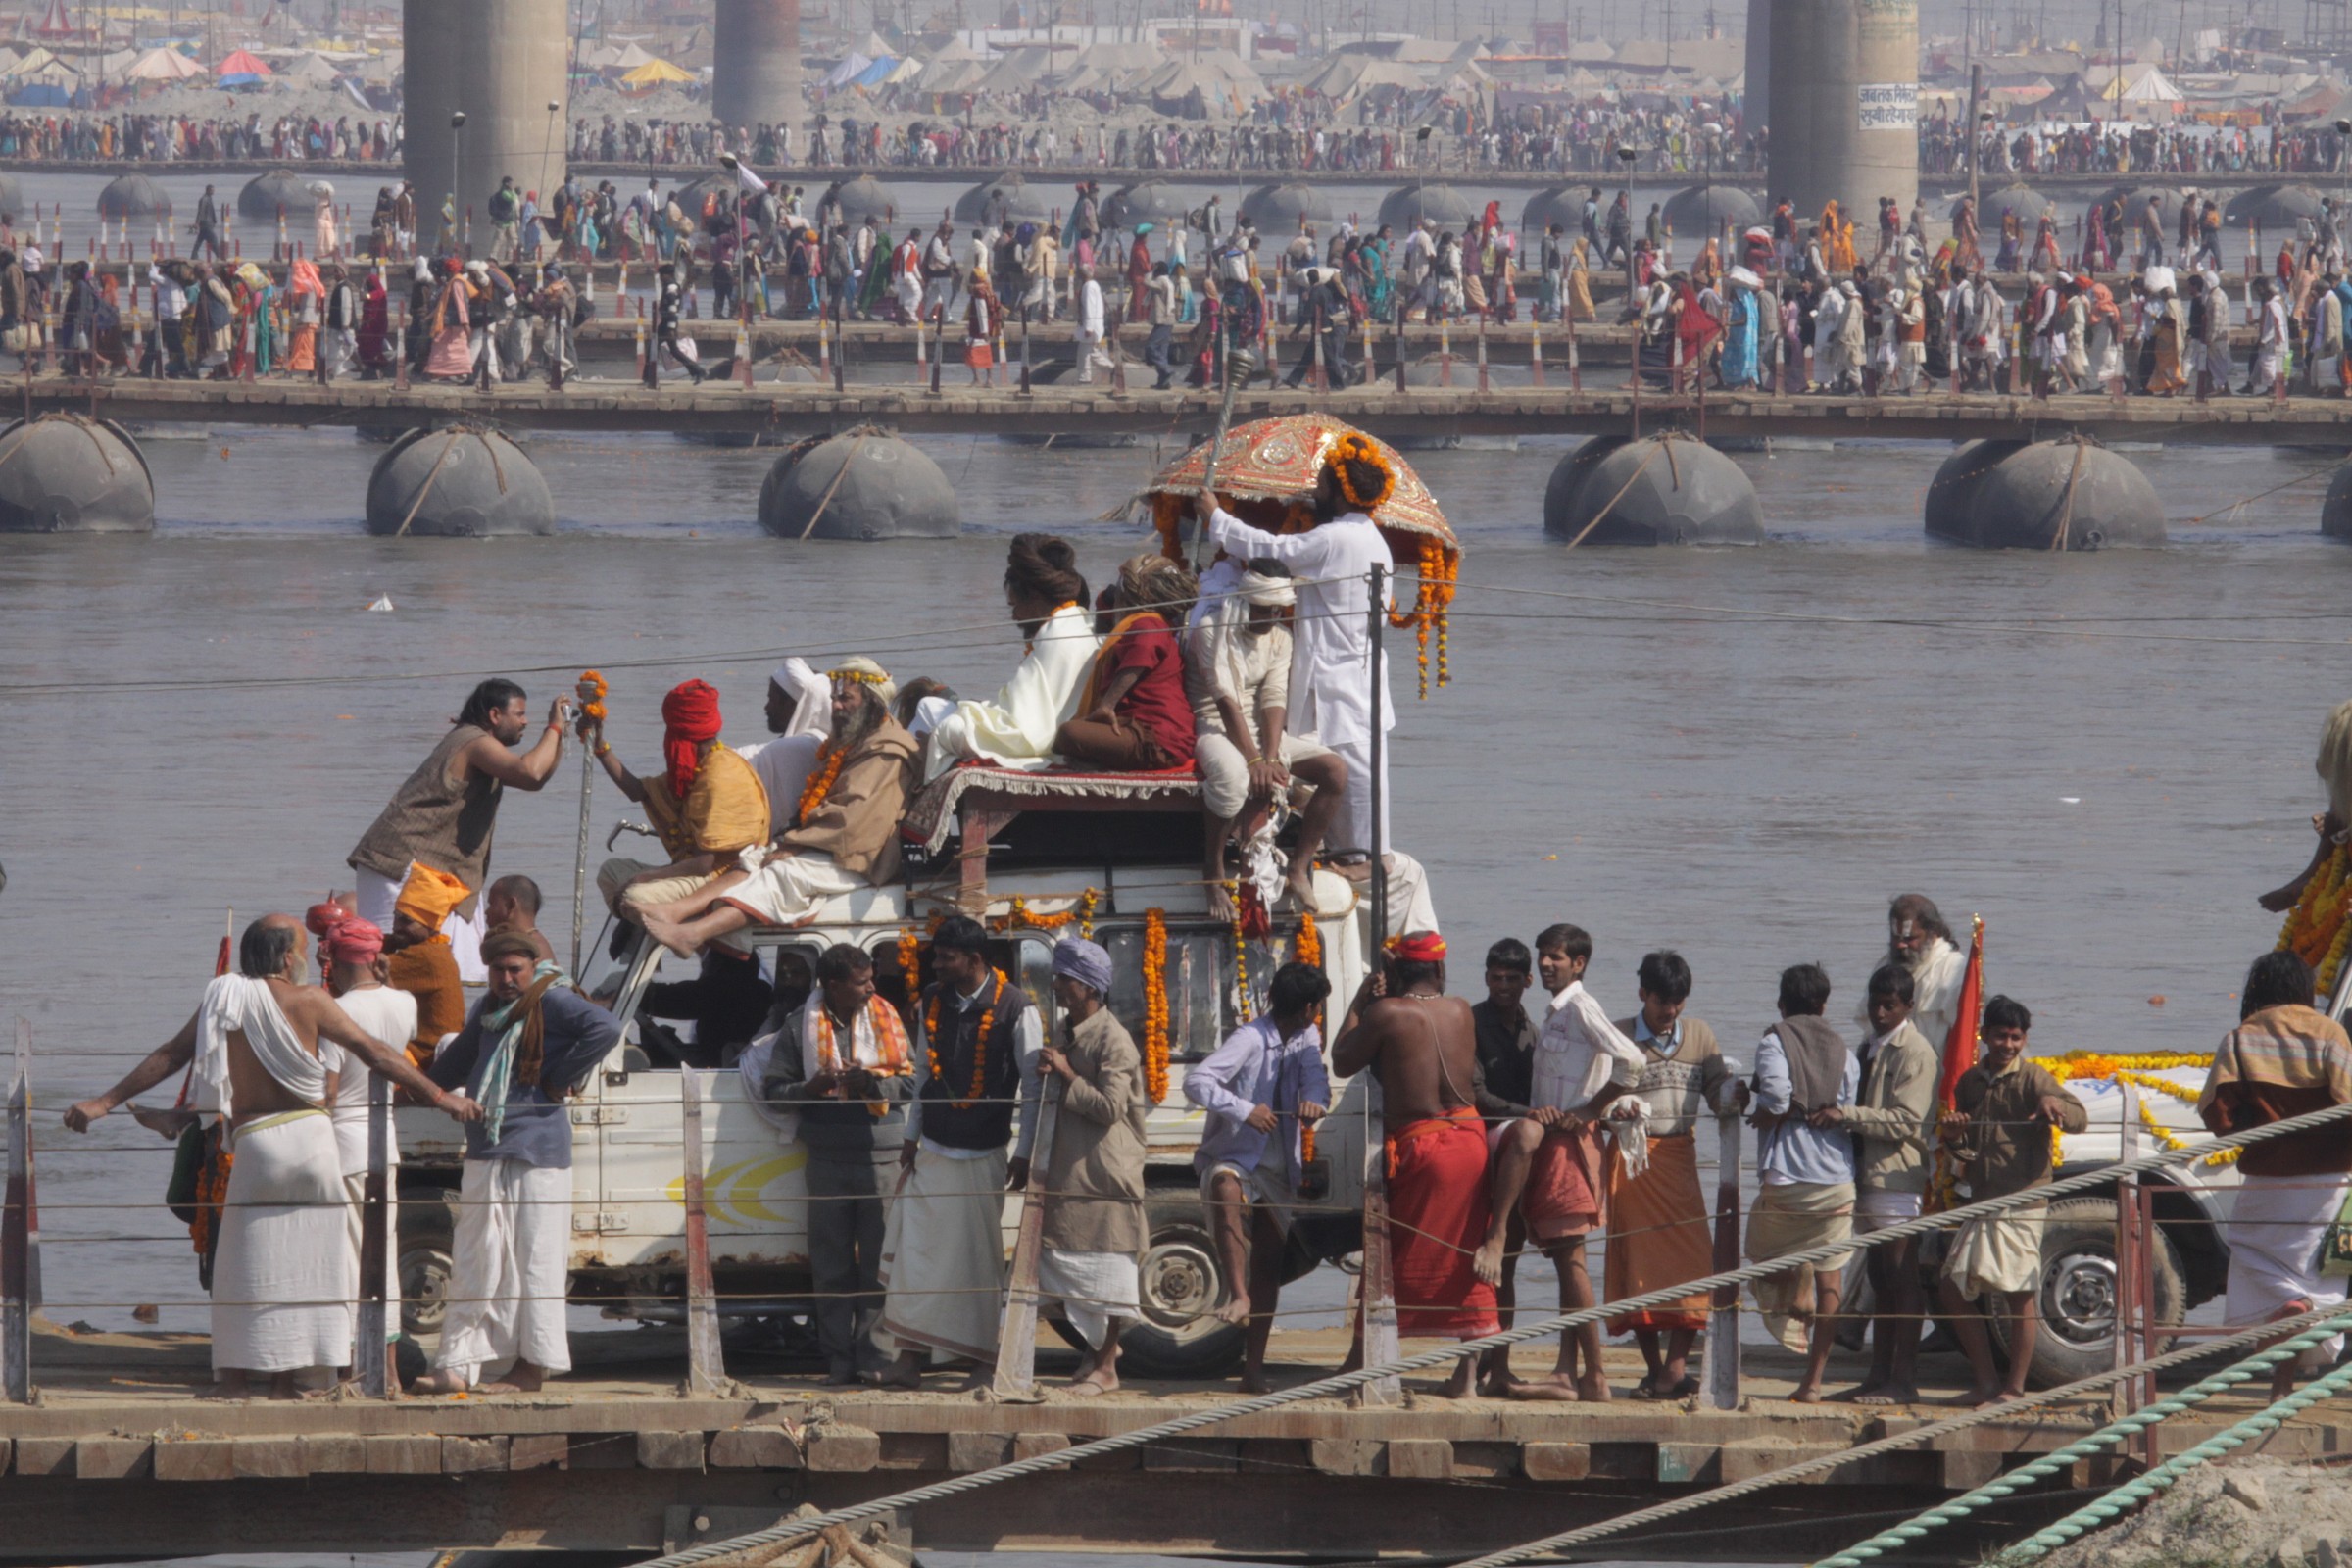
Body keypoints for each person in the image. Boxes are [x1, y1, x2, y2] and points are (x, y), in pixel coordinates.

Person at [63, 915, 475, 1398]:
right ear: (285, 958)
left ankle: (235, 1381)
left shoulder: (224, 998)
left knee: (243, 1267)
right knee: (309, 1268)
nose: (309, 958)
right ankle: (289, 1382)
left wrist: (103, 1103)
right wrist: (441, 1096)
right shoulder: (312, 1002)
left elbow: (172, 1055)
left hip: (257, 1143)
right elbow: (378, 1053)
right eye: (302, 949)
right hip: (313, 1142)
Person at [412, 932, 621, 1394]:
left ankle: (532, 1368)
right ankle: (456, 1364)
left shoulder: (554, 999)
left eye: (515, 971)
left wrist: (556, 1076)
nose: (506, 980)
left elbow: (605, 1029)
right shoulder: (489, 1009)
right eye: (498, 970)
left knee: (535, 1262)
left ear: (533, 967)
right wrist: (419, 1085)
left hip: (537, 1152)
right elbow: (456, 1063)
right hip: (488, 1146)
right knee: (475, 1258)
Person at [1196, 433, 1396, 866]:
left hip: (1336, 671)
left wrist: (1218, 519)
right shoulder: (1370, 538)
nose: (1314, 491)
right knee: (1357, 765)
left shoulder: (1336, 538)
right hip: (1351, 670)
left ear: (1339, 491)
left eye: (1321, 483)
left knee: (1351, 769)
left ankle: (1360, 859)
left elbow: (1275, 551)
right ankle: (1357, 852)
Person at [634, 661, 918, 957]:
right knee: (753, 858)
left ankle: (693, 935)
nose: (835, 705)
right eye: (835, 698)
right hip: (828, 846)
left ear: (872, 703)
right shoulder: (854, 742)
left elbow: (852, 821)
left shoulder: (888, 751)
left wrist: (794, 845)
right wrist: (787, 841)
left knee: (783, 874)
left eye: (845, 698)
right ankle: (674, 912)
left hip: (862, 859)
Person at [1477, 924, 1645, 1401]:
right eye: (1543, 957)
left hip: (1569, 1145)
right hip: (1549, 1146)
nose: (1547, 964)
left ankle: (1594, 1377)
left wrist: (1591, 1110)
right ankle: (1566, 1371)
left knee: (1570, 1261)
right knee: (1562, 1261)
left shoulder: (1578, 1007)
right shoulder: (1551, 1016)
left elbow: (1632, 1062)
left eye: (1557, 957)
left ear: (1579, 963)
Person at [875, 915, 1044, 1386]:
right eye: (937, 956)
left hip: (984, 1152)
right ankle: (909, 1360)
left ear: (974, 959)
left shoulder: (1017, 1007)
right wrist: (910, 1137)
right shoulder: (931, 998)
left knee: (977, 1259)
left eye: (947, 957)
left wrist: (1025, 1153)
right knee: (914, 1252)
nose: (938, 963)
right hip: (931, 1147)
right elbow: (926, 1072)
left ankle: (983, 1361)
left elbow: (1033, 1088)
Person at [1331, 932, 1499, 1398]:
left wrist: (1361, 1002)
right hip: (1470, 1139)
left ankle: (1362, 1362)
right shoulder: (1462, 1009)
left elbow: (1342, 1061)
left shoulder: (1387, 1013)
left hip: (1422, 1146)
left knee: (1388, 1253)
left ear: (1400, 973)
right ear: (1440, 971)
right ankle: (1465, 1380)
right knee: (1467, 1258)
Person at [759, 942, 914, 1384]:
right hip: (826, 1159)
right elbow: (773, 1092)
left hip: (882, 1157)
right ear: (832, 985)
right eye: (861, 982)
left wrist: (872, 1085)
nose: (871, 989)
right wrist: (812, 1087)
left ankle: (876, 1359)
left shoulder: (887, 1018)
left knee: (879, 1266)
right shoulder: (797, 1029)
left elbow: (914, 1083)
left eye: (870, 980)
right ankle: (839, 1360)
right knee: (831, 1266)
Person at [2199, 951, 2352, 1399]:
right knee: (2321, 1276)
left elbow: (2217, 1115)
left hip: (2269, 1177)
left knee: (2249, 1256)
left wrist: (2257, 1120)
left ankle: (2280, 1384)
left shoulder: (2240, 1039)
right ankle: (2288, 1376)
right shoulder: (2330, 1032)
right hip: (2330, 1185)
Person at [348, 677, 567, 980]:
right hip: (400, 866)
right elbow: (529, 772)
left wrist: (561, 735)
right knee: (399, 963)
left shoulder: (479, 743)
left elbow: (537, 778)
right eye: (519, 714)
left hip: (433, 871)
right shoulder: (473, 741)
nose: (525, 722)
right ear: (494, 715)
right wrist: (553, 728)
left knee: (448, 969)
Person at [1186, 961, 1333, 1392]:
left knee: (1268, 1264)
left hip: (1279, 1167)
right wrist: (1243, 1110)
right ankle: (1236, 1293)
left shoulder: (1307, 1037)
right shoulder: (1249, 1038)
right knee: (1225, 1186)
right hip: (1235, 1155)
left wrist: (1314, 1104)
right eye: (1318, 1007)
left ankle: (1253, 1371)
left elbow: (1316, 1082)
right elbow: (1197, 1081)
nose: (1317, 1014)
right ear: (1307, 1007)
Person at [1936, 995, 2084, 1408]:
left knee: (2019, 1294)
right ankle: (1986, 1381)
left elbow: (2078, 1117)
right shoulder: (1969, 1082)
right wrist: (1952, 1135)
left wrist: (2055, 1105)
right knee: (1951, 1289)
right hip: (1983, 1199)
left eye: (2016, 1037)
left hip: (2024, 1198)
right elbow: (1963, 1152)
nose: (2008, 1045)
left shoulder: (2035, 1079)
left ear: (2025, 1039)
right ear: (1985, 1035)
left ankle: (2014, 1390)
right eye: (2001, 1035)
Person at [1607, 950, 1740, 1402]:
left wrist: (1733, 1095)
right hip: (1632, 1162)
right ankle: (1657, 1371)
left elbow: (1717, 1087)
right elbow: (1601, 1100)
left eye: (1679, 1002)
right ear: (1643, 993)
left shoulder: (1700, 1034)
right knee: (1635, 1270)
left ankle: (1673, 1370)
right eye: (1663, 1001)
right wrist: (1616, 1110)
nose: (1671, 1012)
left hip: (1680, 1159)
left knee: (1694, 1266)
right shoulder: (1620, 1035)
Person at [1186, 556, 1347, 915]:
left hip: (1259, 731)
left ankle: (1299, 865)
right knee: (1233, 781)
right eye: (1264, 609)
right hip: (1212, 725)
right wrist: (1254, 760)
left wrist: (1270, 755)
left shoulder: (1281, 637)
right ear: (1245, 601)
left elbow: (1274, 698)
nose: (1271, 617)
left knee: (1335, 771)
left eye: (1278, 610)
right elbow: (1224, 699)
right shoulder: (1211, 628)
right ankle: (1212, 872)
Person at [1027, 937, 1151, 1395]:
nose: (1056, 986)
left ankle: (1106, 1370)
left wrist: (1065, 1073)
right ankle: (1097, 1355)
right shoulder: (1068, 1031)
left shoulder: (1114, 1039)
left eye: (1065, 980)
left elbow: (1108, 1108)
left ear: (1089, 987)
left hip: (1103, 1173)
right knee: (1061, 1264)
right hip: (1069, 1170)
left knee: (1107, 1271)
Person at [1814, 961, 1937, 1404]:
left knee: (1902, 1280)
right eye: (1875, 1004)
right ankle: (1878, 1374)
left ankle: (1902, 1380)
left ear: (1909, 1006)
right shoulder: (1871, 1045)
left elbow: (1907, 1121)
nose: (1880, 1012)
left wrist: (1848, 1116)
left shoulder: (1916, 1051)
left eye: (1890, 1006)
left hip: (1897, 1176)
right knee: (1882, 1279)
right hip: (1868, 1173)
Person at [1743, 962, 1857, 1404]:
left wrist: (1765, 1115)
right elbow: (1847, 1103)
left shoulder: (1775, 1040)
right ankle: (1813, 1383)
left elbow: (1774, 1095)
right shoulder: (1844, 1050)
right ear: (1823, 1005)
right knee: (1834, 1278)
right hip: (1836, 1177)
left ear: (1781, 1004)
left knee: (1761, 1250)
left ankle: (1798, 1277)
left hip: (1788, 1173)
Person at [313, 911, 416, 1385]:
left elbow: (329, 1094)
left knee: (347, 1259)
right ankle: (388, 1370)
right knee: (384, 1256)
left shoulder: (338, 1011)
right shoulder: (405, 1002)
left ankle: (351, 1368)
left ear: (334, 957)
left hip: (344, 1144)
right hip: (386, 1142)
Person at [588, 678, 770, 927]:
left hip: (718, 877)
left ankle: (662, 937)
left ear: (681, 734)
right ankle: (647, 938)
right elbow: (639, 791)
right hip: (693, 871)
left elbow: (704, 864)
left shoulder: (720, 774)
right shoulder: (696, 767)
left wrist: (645, 877)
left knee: (634, 896)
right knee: (611, 873)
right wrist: (599, 746)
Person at [923, 535, 1100, 780]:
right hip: (1049, 736)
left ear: (1036, 599)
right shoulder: (1075, 619)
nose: (1014, 616)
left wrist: (971, 713)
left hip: (1039, 746)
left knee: (933, 714)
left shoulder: (1054, 635)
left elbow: (1025, 731)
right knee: (937, 709)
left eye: (1014, 605)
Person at [1054, 553, 1199, 772]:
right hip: (1140, 728)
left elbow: (1144, 648)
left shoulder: (1149, 623)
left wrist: (1107, 705)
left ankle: (1102, 763)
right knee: (1072, 735)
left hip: (1155, 738)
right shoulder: (1147, 622)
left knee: (1068, 733)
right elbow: (1106, 620)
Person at [1469, 937, 1537, 1392]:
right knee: (1476, 1266)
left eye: (1513, 979)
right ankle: (1469, 1367)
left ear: (1528, 981)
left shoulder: (1535, 1030)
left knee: (1508, 1263)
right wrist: (1526, 1115)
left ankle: (1501, 1363)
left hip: (1522, 1155)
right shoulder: (1471, 1023)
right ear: (1487, 978)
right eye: (1497, 978)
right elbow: (1475, 1095)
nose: (1504, 986)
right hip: (1480, 1149)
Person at [383, 865, 471, 1060]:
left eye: (406, 921)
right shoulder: (431, 950)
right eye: (396, 917)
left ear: (430, 926)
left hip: (425, 1058)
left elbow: (359, 972)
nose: (397, 926)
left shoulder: (427, 957)